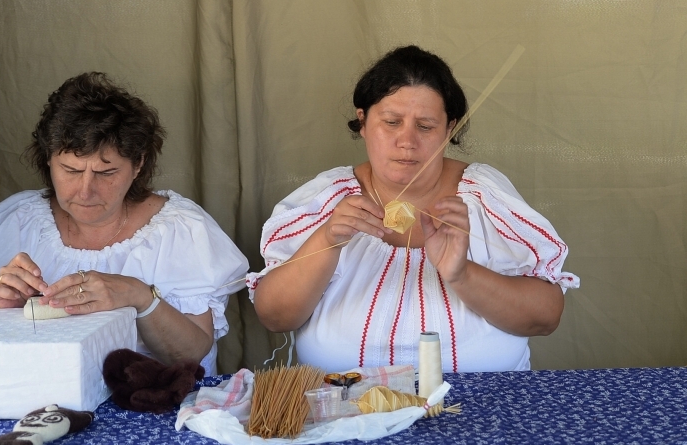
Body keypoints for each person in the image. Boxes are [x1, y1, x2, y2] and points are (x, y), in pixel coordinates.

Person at [248, 46, 579, 373]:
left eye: (425, 126)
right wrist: (326, 240)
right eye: (391, 122)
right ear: (362, 121)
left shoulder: (483, 198)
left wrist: (462, 274)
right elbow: (275, 317)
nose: (407, 141)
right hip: (344, 417)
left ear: (449, 129)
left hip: (483, 415)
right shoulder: (328, 200)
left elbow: (545, 318)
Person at [0, 72, 249, 375]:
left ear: (138, 164)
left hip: (154, 408)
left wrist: (141, 297)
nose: (85, 190)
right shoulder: (21, 220)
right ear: (49, 161)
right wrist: (2, 304)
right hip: (44, 398)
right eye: (70, 170)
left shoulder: (181, 230)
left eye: (106, 173)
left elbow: (191, 355)